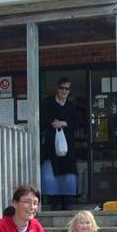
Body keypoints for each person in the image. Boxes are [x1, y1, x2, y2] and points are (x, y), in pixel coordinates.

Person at [40, 77, 79, 210]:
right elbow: (41, 119)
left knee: (68, 173)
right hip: (51, 144)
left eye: (67, 89)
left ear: (69, 91)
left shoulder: (71, 106)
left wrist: (64, 123)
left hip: (67, 145)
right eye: (62, 88)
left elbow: (77, 123)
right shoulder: (47, 102)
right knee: (50, 172)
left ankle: (66, 201)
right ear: (57, 89)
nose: (64, 91)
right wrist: (52, 122)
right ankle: (54, 201)